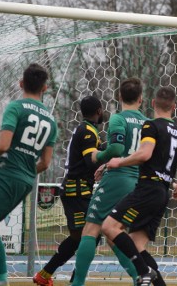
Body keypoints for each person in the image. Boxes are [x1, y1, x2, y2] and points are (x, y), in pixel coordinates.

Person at [0, 63, 58, 286]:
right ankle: (3, 281)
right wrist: (25, 171)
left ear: (21, 83)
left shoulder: (16, 107)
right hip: (25, 182)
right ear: (44, 88)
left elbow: (3, 144)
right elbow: (45, 163)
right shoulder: (51, 121)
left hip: (7, 177)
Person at [102, 86, 177, 286]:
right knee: (136, 245)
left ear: (152, 103)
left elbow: (145, 154)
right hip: (162, 193)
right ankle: (155, 280)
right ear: (174, 107)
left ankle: (144, 272)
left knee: (109, 227)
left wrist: (119, 161)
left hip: (147, 190)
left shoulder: (151, 126)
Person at [33, 96, 123, 286]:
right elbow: (90, 160)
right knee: (87, 235)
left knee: (86, 236)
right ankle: (61, 277)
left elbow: (93, 157)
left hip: (80, 190)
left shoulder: (87, 130)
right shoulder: (88, 132)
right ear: (99, 111)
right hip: (76, 190)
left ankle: (49, 274)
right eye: (102, 110)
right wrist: (113, 151)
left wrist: (111, 151)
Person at [70, 78, 149, 286]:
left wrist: (102, 158)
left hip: (117, 180)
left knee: (91, 229)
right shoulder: (148, 123)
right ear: (141, 99)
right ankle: (139, 278)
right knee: (115, 235)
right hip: (137, 183)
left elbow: (116, 150)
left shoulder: (118, 119)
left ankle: (77, 283)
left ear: (120, 97)